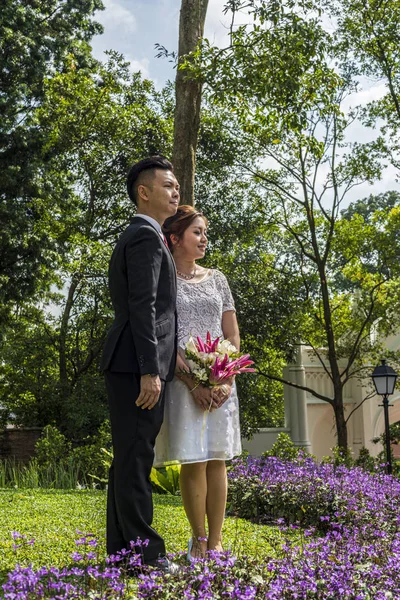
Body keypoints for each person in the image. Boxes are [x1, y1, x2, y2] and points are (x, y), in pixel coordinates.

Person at [100, 155, 179, 568]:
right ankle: (145, 556)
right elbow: (143, 307)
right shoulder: (145, 237)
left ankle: (122, 553)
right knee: (135, 460)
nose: (175, 191)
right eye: (167, 185)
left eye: (177, 186)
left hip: (131, 361)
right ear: (143, 193)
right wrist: (151, 369)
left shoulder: (145, 235)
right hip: (135, 364)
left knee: (130, 457)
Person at [154, 205, 242, 559]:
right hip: (182, 382)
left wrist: (224, 377)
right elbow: (165, 337)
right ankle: (199, 540)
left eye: (205, 232)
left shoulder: (219, 279)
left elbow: (232, 333)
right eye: (197, 232)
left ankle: (218, 540)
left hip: (222, 384)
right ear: (175, 238)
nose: (204, 239)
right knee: (194, 460)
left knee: (217, 459)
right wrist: (194, 381)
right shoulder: (163, 281)